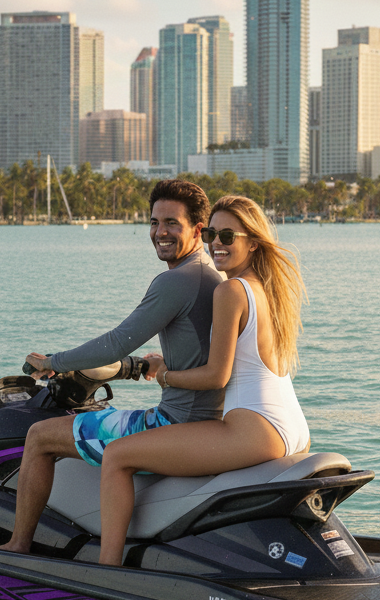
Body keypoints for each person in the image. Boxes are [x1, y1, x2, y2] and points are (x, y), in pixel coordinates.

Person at [0, 179, 225, 554]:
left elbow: (116, 343)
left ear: (198, 230)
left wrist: (52, 362)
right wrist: (159, 365)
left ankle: (18, 546)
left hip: (173, 423)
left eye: (171, 223)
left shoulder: (177, 280)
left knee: (39, 437)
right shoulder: (209, 276)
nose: (159, 232)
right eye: (154, 222)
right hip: (201, 420)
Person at [98, 194, 308, 566]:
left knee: (116, 456)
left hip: (255, 431)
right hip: (292, 428)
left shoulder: (230, 290)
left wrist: (165, 375)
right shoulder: (269, 289)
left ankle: (107, 571)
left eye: (228, 236)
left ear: (253, 242)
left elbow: (216, 376)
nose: (216, 244)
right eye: (211, 233)